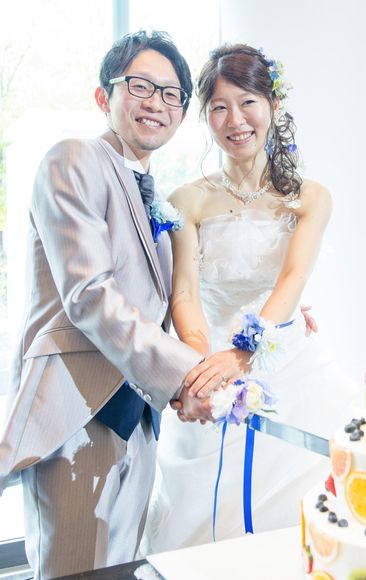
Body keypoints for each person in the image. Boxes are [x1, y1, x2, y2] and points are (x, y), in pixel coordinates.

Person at [0, 30, 211, 578]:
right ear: (104, 96)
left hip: (137, 415)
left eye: (171, 94)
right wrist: (188, 375)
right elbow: (89, 293)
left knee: (119, 565)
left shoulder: (155, 195)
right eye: (140, 86)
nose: (156, 102)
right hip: (77, 410)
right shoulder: (73, 159)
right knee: (73, 568)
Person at [141, 43, 352, 553]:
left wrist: (245, 352)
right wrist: (203, 366)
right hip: (209, 356)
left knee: (310, 501)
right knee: (206, 510)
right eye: (219, 107)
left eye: (247, 102)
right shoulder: (187, 200)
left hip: (289, 361)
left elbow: (292, 280)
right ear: (205, 117)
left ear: (273, 105)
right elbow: (184, 291)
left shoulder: (310, 197)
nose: (235, 120)